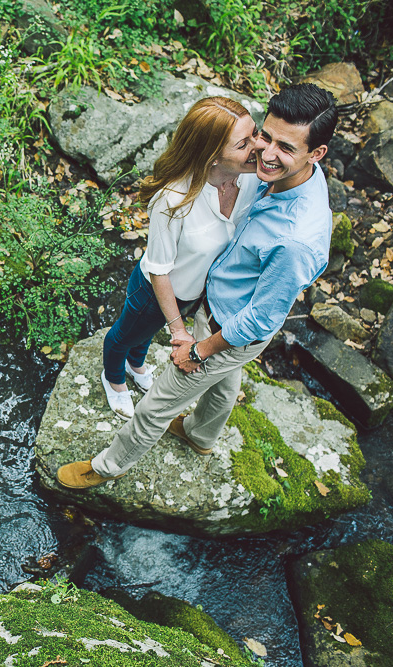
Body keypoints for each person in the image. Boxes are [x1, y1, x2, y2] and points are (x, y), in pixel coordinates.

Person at [58, 83, 338, 489]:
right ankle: (201, 435)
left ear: (317, 154)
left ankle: (104, 468)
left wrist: (199, 348)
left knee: (157, 405)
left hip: (231, 328)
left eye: (286, 148)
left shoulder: (295, 239)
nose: (267, 152)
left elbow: (260, 320)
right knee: (225, 386)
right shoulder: (280, 176)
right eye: (265, 136)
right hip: (213, 304)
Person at [101, 97, 259, 420]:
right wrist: (179, 331)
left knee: (143, 336)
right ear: (213, 157)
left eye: (256, 134)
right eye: (245, 143)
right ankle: (113, 377)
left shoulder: (252, 179)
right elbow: (159, 270)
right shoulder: (172, 199)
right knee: (125, 334)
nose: (259, 147)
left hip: (194, 294)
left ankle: (136, 364)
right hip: (153, 292)